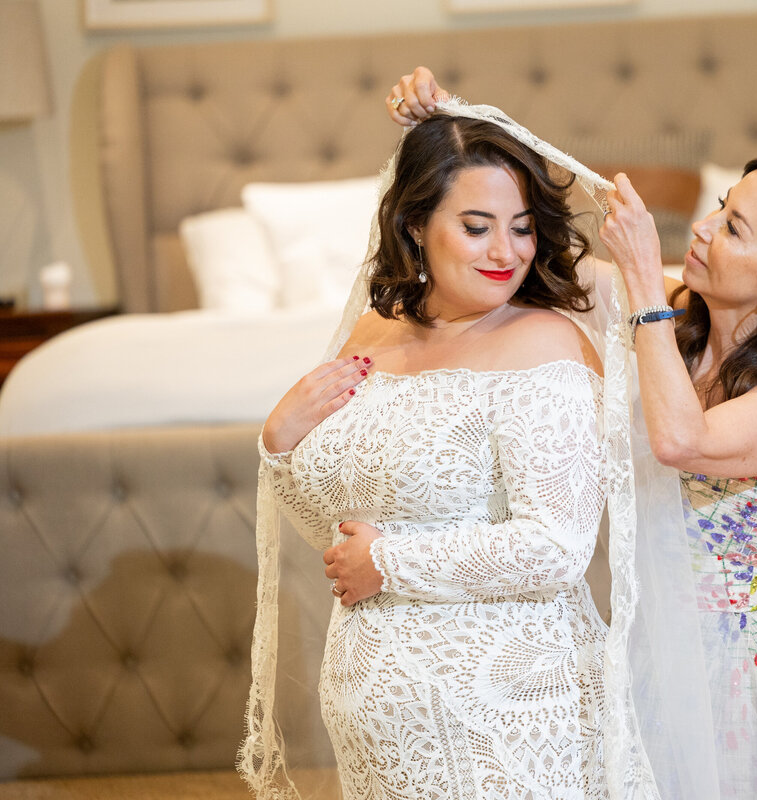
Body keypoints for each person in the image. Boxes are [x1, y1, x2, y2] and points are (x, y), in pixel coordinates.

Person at [390, 70, 757, 800]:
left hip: (734, 674)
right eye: (721, 207)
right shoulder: (680, 327)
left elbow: (680, 440)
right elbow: (546, 262)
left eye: (733, 229)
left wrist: (642, 283)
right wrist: (456, 125)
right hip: (639, 644)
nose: (702, 227)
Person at [240, 111, 615, 800]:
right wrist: (281, 441)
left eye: (523, 225)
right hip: (378, 723)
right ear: (415, 224)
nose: (507, 249)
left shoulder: (545, 345)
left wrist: (388, 561)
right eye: (477, 226)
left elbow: (559, 546)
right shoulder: (372, 330)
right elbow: (338, 534)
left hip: (508, 717)